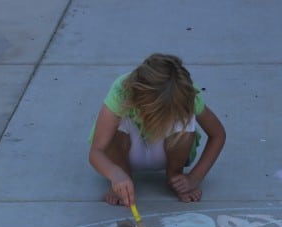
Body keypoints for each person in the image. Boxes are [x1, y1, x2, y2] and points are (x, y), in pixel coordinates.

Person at [88, 53, 225, 206]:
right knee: (115, 124)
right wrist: (114, 174)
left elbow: (218, 135)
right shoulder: (122, 91)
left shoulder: (186, 94)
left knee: (186, 117)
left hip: (167, 153)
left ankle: (175, 177)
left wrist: (194, 178)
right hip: (129, 152)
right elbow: (96, 151)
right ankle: (124, 180)